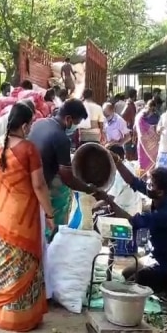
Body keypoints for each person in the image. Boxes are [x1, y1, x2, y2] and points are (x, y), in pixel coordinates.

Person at [0, 102, 54, 331]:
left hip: (0, 218)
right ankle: (21, 318)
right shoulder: (28, 149)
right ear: (24, 124)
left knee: (1, 263)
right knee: (23, 264)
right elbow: (39, 185)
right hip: (23, 219)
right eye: (30, 124)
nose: (30, 128)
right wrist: (50, 214)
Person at [95, 155, 167, 297]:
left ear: (160, 191)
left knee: (132, 282)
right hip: (156, 258)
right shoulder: (161, 197)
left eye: (151, 184)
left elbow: (131, 220)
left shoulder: (164, 214)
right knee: (125, 273)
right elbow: (134, 182)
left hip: (166, 265)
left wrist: (108, 200)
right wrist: (117, 162)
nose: (147, 184)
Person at [27, 99, 96, 239]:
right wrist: (89, 188)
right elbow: (68, 179)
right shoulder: (61, 138)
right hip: (42, 185)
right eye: (76, 123)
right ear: (68, 119)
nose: (75, 127)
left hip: (28, 181)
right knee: (51, 226)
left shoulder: (39, 123)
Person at [135, 99, 160, 172]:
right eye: (153, 110)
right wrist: (154, 129)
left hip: (150, 143)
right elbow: (142, 131)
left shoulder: (153, 116)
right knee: (142, 164)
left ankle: (151, 180)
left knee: (151, 165)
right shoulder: (140, 117)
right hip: (143, 143)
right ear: (151, 108)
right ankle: (142, 180)